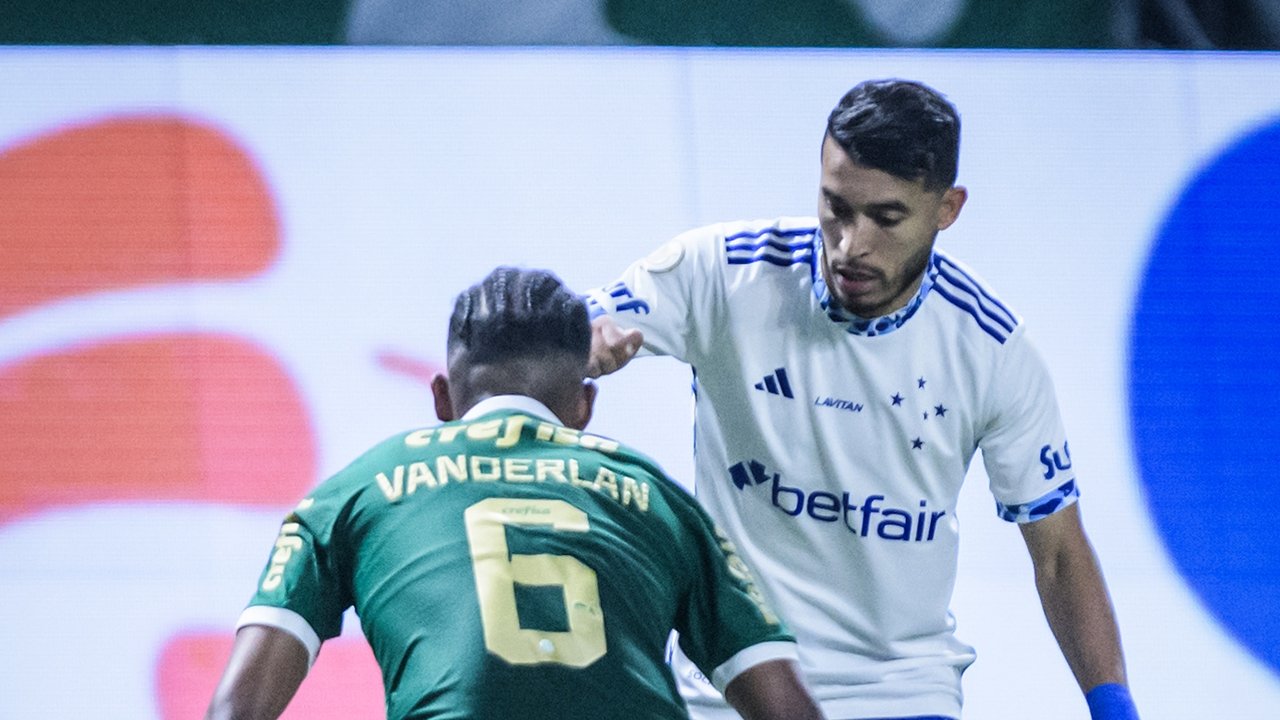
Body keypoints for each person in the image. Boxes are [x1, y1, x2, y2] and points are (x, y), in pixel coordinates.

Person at [585, 79, 1140, 720]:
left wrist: (1115, 708)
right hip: (728, 692)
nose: (851, 244)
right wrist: (580, 340)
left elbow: (1060, 552)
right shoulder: (721, 271)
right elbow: (567, 330)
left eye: (886, 217)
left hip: (901, 691)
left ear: (947, 208)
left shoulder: (991, 349)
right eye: (836, 207)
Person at [205, 267, 826, 720]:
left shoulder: (352, 493)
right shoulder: (658, 497)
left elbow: (236, 708)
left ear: (443, 399)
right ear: (584, 407)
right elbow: (785, 707)